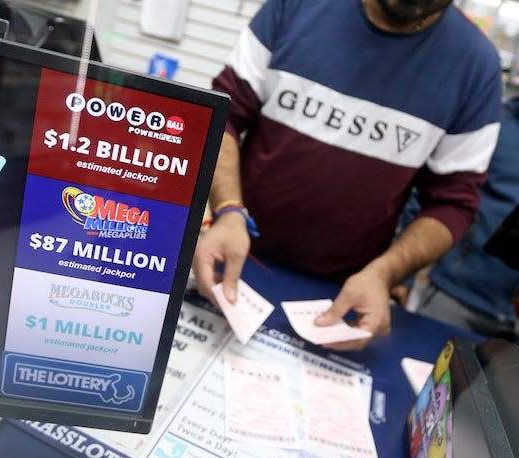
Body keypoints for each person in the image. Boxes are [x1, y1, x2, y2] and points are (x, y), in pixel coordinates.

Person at [193, 0, 504, 350]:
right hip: (236, 256)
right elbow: (223, 116)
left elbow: (453, 203)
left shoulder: (476, 65)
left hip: (344, 295)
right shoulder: (294, 7)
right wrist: (228, 210)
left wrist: (385, 273)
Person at [393, 96, 519, 340]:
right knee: (424, 370)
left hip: (511, 321)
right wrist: (401, 273)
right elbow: (430, 195)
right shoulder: (495, 126)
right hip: (456, 297)